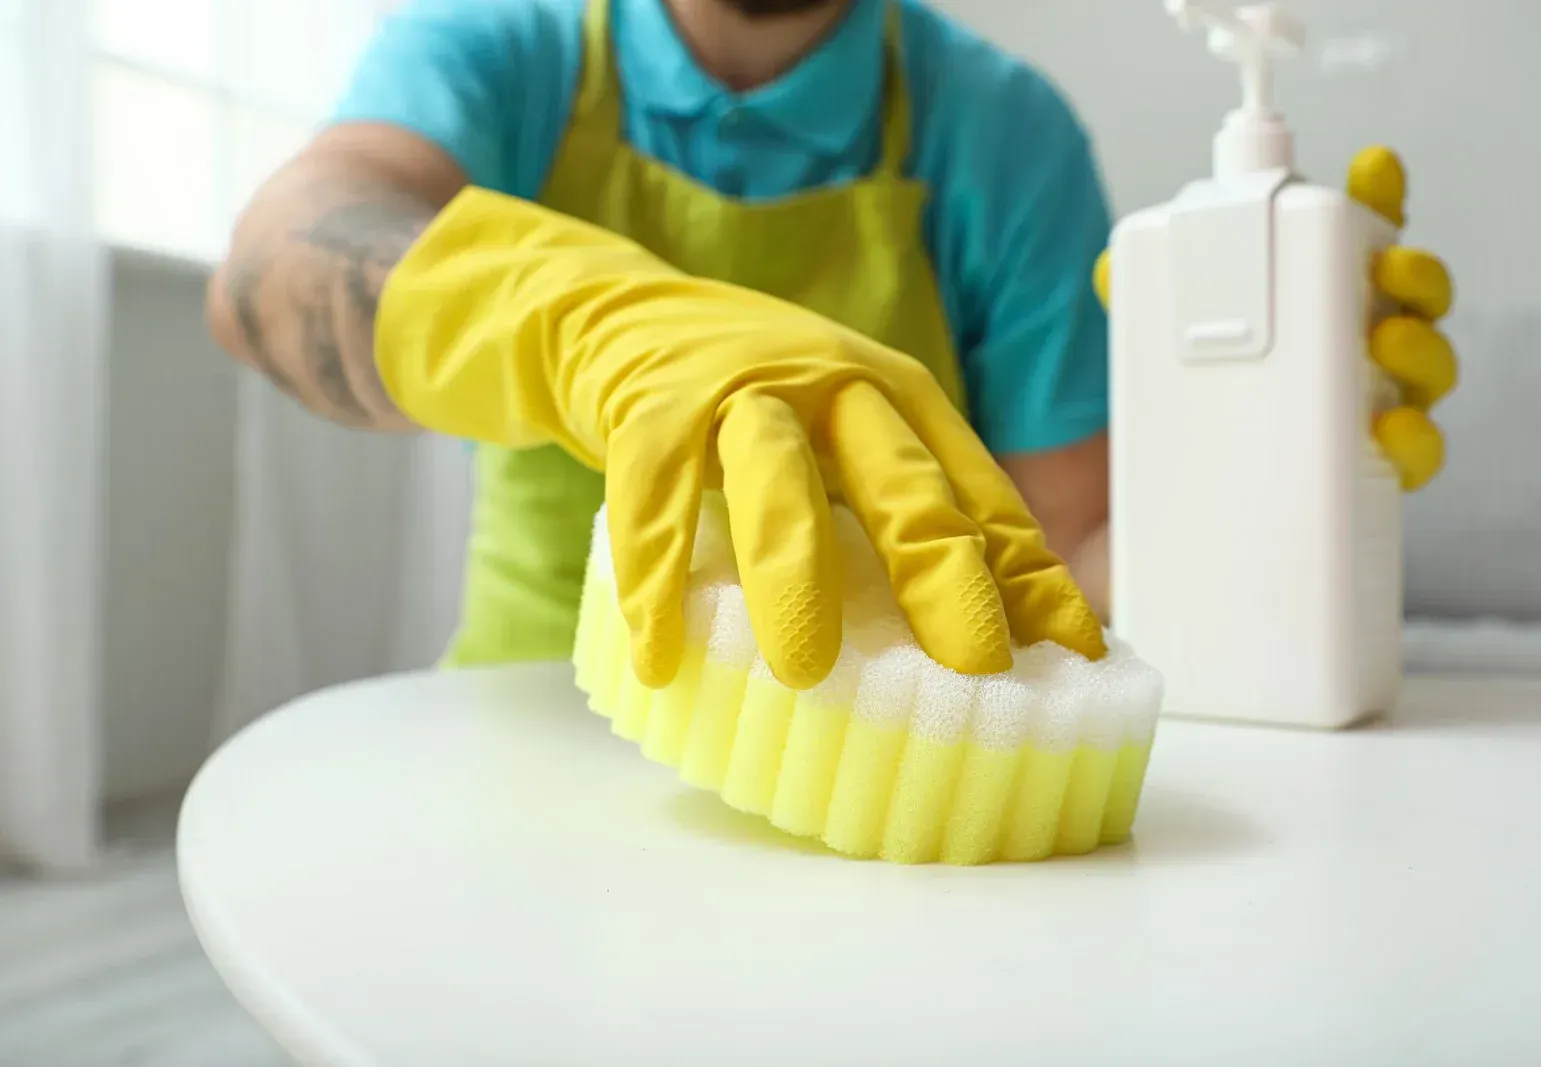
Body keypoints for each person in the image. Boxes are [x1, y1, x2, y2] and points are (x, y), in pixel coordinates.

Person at [205, 0, 1457, 692]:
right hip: (525, 715)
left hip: (867, 760)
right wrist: (590, 322)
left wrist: (1259, 455)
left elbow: (1065, 557)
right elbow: (271, 268)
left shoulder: (1000, 134)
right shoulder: (502, 45)